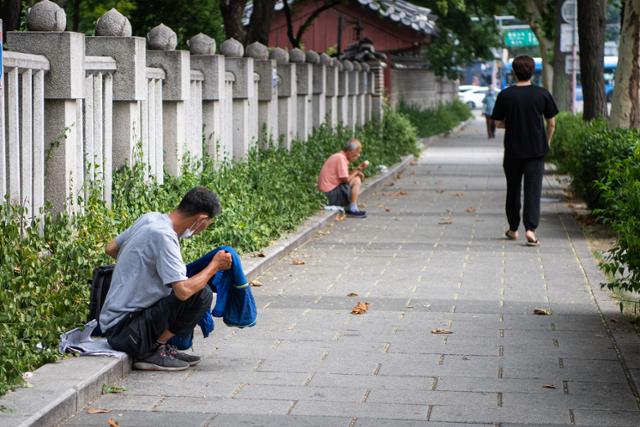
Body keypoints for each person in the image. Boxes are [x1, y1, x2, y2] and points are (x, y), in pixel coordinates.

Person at [99, 186, 233, 371]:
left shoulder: (150, 218)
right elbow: (184, 291)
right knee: (201, 294)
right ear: (201, 219)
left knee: (187, 288)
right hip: (126, 332)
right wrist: (214, 266)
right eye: (208, 223)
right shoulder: (165, 237)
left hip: (112, 323)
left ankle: (156, 346)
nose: (205, 228)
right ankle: (153, 350)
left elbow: (111, 248)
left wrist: (139, 271)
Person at [491, 55, 558, 247]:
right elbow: (551, 123)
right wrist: (547, 142)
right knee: (532, 191)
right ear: (532, 71)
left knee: (512, 190)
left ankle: (513, 229)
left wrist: (512, 123)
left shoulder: (505, 95)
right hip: (536, 151)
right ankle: (530, 230)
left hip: (512, 151)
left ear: (513, 72)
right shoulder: (542, 94)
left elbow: (498, 122)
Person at [318, 138, 369, 218]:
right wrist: (357, 171)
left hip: (329, 193)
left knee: (356, 178)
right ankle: (352, 209)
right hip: (329, 195)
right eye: (357, 153)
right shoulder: (341, 158)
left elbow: (344, 178)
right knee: (356, 180)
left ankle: (351, 208)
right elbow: (346, 180)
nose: (358, 156)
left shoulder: (340, 157)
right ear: (350, 152)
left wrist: (357, 170)